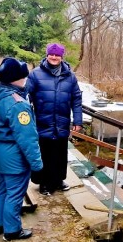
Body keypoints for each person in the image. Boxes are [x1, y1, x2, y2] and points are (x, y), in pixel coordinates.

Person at [0, 57, 43, 241]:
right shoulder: (18, 105)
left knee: (3, 189)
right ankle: (12, 231)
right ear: (15, 79)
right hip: (14, 157)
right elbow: (28, 139)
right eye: (23, 77)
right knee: (15, 193)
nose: (25, 80)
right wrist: (37, 165)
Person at [26, 42, 83, 195]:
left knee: (60, 153)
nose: (54, 57)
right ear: (47, 55)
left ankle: (58, 180)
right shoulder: (35, 74)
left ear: (61, 57)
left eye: (57, 55)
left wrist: (77, 120)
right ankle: (44, 183)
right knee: (44, 153)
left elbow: (76, 99)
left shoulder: (70, 76)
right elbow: (26, 96)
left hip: (62, 122)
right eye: (52, 54)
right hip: (42, 121)